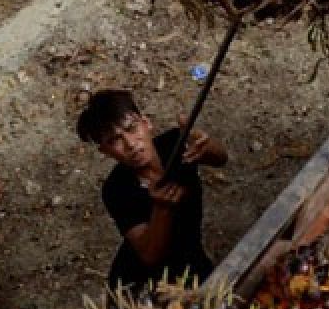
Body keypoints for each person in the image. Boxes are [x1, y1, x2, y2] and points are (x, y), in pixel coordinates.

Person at [76, 89, 228, 290]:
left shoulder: (176, 144)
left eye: (132, 128)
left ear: (146, 123)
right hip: (143, 284)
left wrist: (207, 146)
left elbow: (220, 159)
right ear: (106, 151)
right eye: (114, 140)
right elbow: (150, 254)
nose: (130, 144)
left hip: (192, 260)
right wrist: (161, 209)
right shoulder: (116, 190)